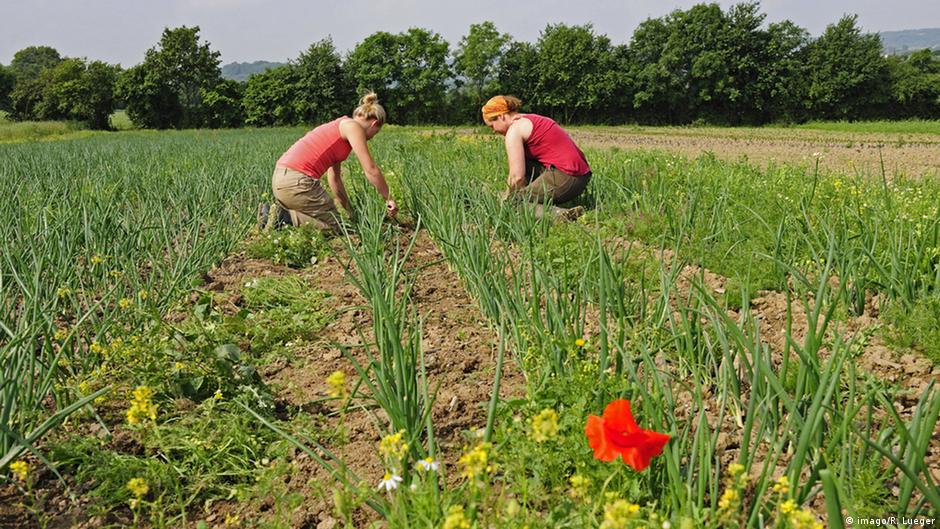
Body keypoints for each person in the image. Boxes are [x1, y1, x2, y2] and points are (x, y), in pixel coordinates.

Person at [259, 92, 398, 233]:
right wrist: (388, 199)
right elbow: (371, 169)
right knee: (335, 227)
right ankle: (284, 217)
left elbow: (335, 179)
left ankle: (273, 214)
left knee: (336, 222)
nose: (372, 138)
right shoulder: (353, 127)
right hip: (297, 183)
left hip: (282, 180)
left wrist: (351, 212)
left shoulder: (339, 127)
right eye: (375, 133)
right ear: (374, 124)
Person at [481, 95, 591, 219]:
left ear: (501, 116)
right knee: (524, 167)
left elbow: (517, 177)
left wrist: (508, 199)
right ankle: (528, 199)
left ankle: (558, 215)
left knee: (513, 203)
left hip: (568, 176)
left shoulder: (514, 131)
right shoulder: (528, 118)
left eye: (492, 126)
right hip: (579, 175)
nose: (493, 131)